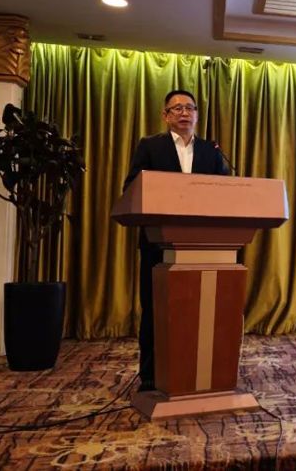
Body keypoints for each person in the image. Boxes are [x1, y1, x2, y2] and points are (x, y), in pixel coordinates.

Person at [123, 89, 230, 392]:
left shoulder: (211, 150)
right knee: (155, 309)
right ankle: (151, 375)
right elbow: (132, 187)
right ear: (165, 115)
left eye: (190, 108)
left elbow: (226, 191)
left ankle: (199, 371)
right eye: (177, 108)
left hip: (203, 243)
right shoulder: (150, 146)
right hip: (158, 242)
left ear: (197, 114)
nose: (184, 113)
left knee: (198, 310)